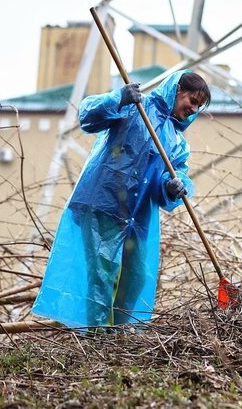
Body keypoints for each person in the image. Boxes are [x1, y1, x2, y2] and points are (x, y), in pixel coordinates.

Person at [32, 70, 211, 329]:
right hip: (104, 203)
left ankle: (118, 335)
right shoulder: (135, 106)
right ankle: (97, 340)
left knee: (136, 276)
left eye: (198, 106)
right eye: (192, 100)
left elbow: (172, 176)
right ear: (177, 90)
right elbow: (89, 116)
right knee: (102, 275)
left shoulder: (177, 142)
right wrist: (118, 98)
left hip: (137, 217)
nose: (193, 109)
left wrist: (172, 187)